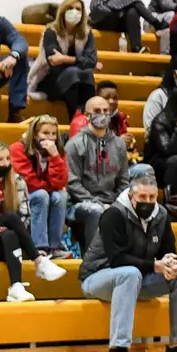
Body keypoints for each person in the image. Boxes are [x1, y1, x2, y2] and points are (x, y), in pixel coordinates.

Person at [79, 165, 177, 352]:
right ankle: (118, 351)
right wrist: (156, 266)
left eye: (152, 198)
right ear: (131, 197)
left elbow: (169, 250)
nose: (147, 202)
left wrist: (170, 264)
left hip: (138, 279)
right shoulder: (113, 215)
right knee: (129, 274)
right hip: (98, 278)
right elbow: (117, 260)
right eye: (142, 198)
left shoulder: (162, 215)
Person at [0, 140, 66, 301]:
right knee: (10, 217)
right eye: (0, 160)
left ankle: (16, 287)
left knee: (10, 233)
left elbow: (25, 216)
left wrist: (7, 226)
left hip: (6, 240)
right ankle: (39, 260)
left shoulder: (17, 182)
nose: (6, 163)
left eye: (7, 159)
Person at [66, 95, 131, 251]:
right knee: (96, 211)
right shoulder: (74, 144)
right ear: (87, 116)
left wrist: (116, 203)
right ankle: (92, 259)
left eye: (105, 111)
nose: (102, 114)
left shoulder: (119, 144)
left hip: (111, 200)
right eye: (97, 111)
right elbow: (73, 183)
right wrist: (97, 202)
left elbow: (123, 181)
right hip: (80, 203)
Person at [12, 115, 71, 259]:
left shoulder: (57, 151)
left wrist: (55, 157)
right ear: (35, 133)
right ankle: (39, 247)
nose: (50, 138)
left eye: (53, 134)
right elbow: (28, 183)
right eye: (45, 133)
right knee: (41, 195)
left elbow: (60, 182)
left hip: (45, 194)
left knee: (61, 196)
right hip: (21, 196)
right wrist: (50, 187)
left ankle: (55, 247)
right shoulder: (18, 149)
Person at [28, 0, 98, 117]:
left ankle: (87, 117)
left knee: (86, 74)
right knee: (74, 72)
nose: (74, 12)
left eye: (78, 9)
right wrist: (81, 61)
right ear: (63, 11)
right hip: (51, 81)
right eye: (70, 8)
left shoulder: (87, 33)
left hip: (77, 80)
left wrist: (66, 59)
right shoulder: (51, 31)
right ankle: (76, 118)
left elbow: (91, 61)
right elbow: (54, 63)